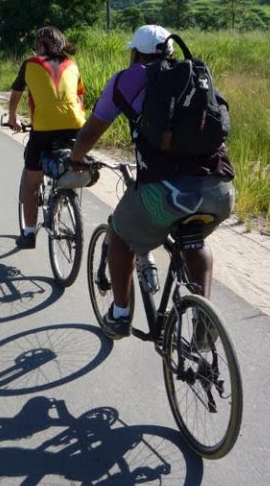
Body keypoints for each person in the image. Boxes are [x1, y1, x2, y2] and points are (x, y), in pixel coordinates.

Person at [69, 25, 235, 339]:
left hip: (168, 193)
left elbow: (92, 130)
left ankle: (120, 315)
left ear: (135, 53)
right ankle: (204, 320)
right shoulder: (193, 74)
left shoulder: (127, 79)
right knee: (194, 239)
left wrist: (76, 159)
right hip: (219, 189)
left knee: (120, 236)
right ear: (170, 52)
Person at [7, 26, 87, 249]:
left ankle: (29, 233)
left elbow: (16, 94)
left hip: (43, 130)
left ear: (39, 45)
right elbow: (80, 98)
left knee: (32, 182)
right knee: (71, 161)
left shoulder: (30, 64)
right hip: (76, 126)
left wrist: (13, 117)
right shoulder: (72, 65)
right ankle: (67, 198)